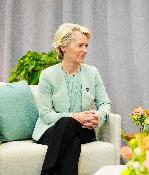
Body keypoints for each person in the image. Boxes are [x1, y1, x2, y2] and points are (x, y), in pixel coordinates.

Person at [32, 23, 112, 175]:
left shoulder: (92, 73)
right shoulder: (48, 75)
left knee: (68, 124)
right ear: (63, 47)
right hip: (51, 130)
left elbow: (105, 103)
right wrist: (75, 117)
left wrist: (98, 116)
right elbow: (45, 114)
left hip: (84, 130)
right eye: (80, 45)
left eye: (86, 46)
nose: (85, 50)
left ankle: (46, 172)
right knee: (72, 142)